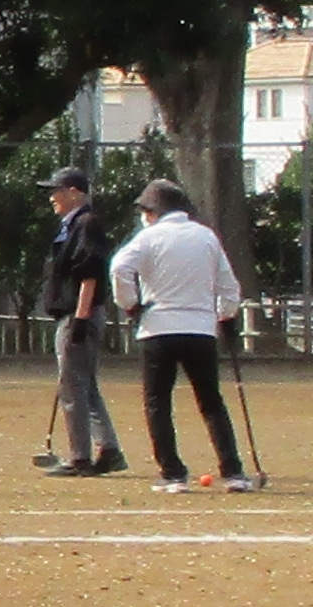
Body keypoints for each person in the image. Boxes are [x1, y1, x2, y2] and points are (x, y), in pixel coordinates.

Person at [107, 177, 253, 493]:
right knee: (211, 401)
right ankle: (233, 472)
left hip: (157, 329)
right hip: (200, 330)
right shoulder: (206, 237)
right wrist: (225, 314)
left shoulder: (148, 238)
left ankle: (173, 474)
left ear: (152, 211)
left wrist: (131, 305)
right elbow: (229, 287)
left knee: (158, 401)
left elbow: (119, 268)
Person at [35, 166, 125, 478]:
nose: (52, 197)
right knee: (85, 386)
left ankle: (79, 457)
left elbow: (89, 273)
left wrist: (81, 318)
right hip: (74, 313)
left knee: (72, 387)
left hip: (78, 314)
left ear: (74, 192)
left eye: (56, 190)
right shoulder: (71, 225)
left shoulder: (86, 224)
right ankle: (109, 449)